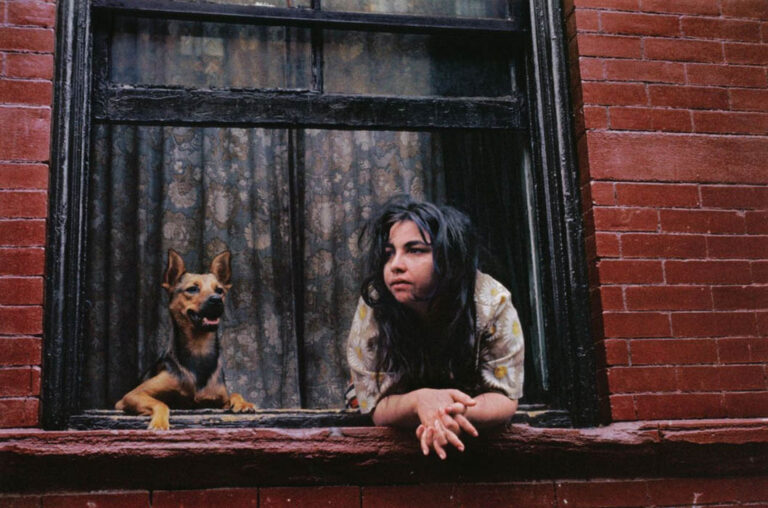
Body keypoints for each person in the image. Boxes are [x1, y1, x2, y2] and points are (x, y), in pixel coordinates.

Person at [346, 197, 524, 459]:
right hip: (397, 413)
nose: (395, 265)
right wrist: (419, 401)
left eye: (415, 250)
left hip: (467, 410)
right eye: (389, 253)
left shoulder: (490, 301)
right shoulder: (377, 301)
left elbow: (506, 399)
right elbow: (374, 406)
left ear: (449, 257)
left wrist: (442, 411)